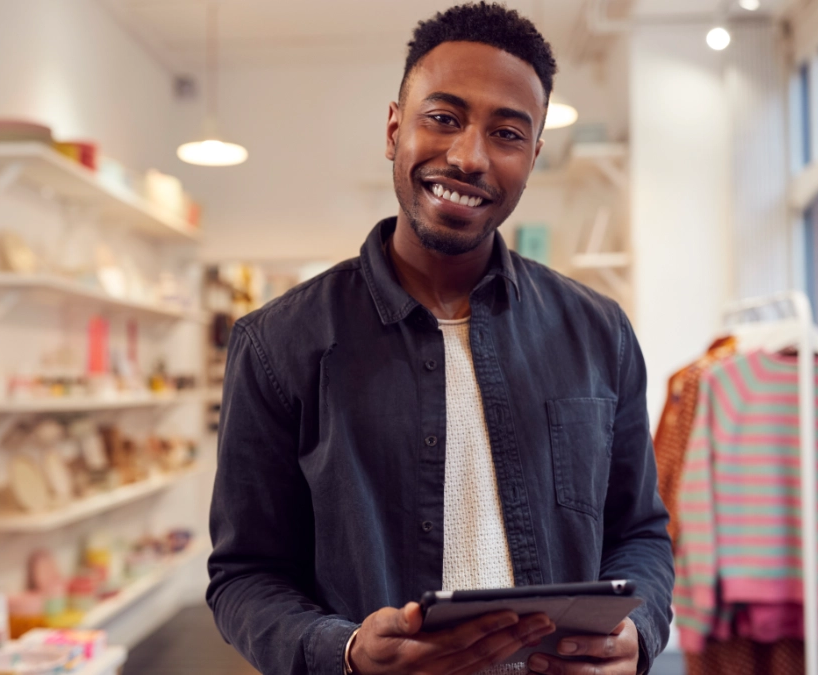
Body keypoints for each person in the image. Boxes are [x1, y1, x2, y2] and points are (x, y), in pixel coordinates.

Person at [206, 3, 674, 674]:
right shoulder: (277, 345)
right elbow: (245, 573)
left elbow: (641, 534)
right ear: (395, 127)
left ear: (533, 155)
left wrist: (639, 632)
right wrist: (342, 651)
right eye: (444, 118)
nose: (467, 157)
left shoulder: (600, 334)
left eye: (507, 133)